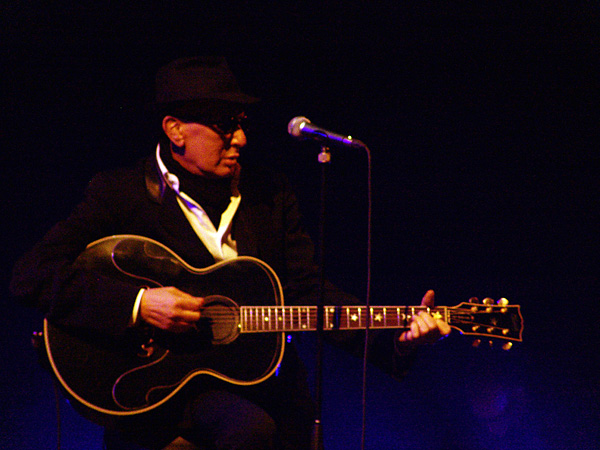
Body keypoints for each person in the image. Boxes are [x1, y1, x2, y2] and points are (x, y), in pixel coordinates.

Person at [10, 56, 451, 450]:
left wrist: (395, 336)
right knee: (250, 429)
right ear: (175, 130)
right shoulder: (120, 194)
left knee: (281, 419)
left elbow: (306, 293)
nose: (239, 138)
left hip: (259, 382)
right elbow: (32, 273)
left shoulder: (269, 195)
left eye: (241, 122)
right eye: (224, 125)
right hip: (157, 389)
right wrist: (141, 304)